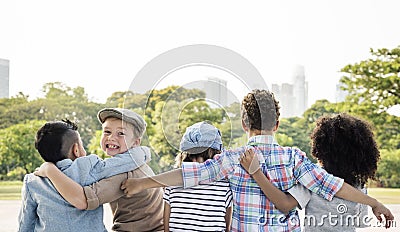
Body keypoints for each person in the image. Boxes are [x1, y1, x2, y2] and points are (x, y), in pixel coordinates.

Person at [121, 89, 393, 232]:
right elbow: (332, 185)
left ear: (243, 123)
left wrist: (143, 183)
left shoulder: (232, 158)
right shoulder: (294, 158)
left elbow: (188, 174)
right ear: (277, 125)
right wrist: (375, 203)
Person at [239, 113, 394, 231]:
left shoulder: (311, 179)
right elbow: (358, 223)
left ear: (320, 149)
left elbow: (285, 204)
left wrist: (256, 172)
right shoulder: (359, 187)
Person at [34, 108, 164, 231]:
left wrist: (49, 170)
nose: (111, 137)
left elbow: (82, 200)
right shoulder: (137, 161)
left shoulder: (123, 173)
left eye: (121, 134)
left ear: (136, 142)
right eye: (107, 131)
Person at [164, 121, 233, 231]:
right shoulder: (224, 186)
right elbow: (227, 227)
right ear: (216, 154)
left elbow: (166, 228)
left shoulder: (172, 183)